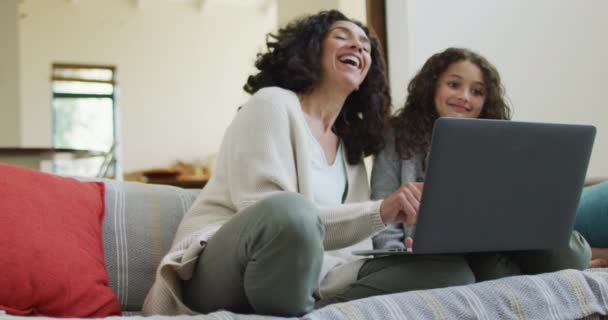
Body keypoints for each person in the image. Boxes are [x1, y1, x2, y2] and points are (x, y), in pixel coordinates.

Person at [143, 11, 472, 317]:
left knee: (451, 270)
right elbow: (272, 217)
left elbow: (353, 248)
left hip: (310, 281)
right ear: (312, 50)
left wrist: (398, 261)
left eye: (365, 46)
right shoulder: (271, 104)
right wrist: (381, 212)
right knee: (291, 213)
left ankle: (316, 312)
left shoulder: (350, 147)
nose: (357, 45)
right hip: (224, 271)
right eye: (342, 36)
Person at [371, 47, 592, 283]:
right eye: (454, 85)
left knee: (570, 256)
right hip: (447, 251)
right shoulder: (396, 136)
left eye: (477, 91)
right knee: (493, 273)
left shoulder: (500, 138)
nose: (465, 96)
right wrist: (397, 257)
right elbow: (383, 211)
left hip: (507, 237)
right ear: (432, 86)